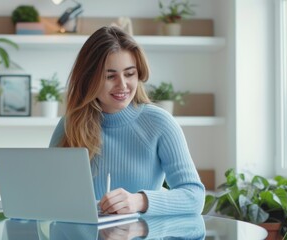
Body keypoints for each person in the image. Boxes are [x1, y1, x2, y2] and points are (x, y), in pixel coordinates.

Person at [49, 26, 204, 216]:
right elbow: (52, 198)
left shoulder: (160, 123)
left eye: (129, 74)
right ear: (89, 79)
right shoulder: (69, 125)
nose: (122, 85)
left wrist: (139, 201)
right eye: (110, 76)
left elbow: (195, 196)